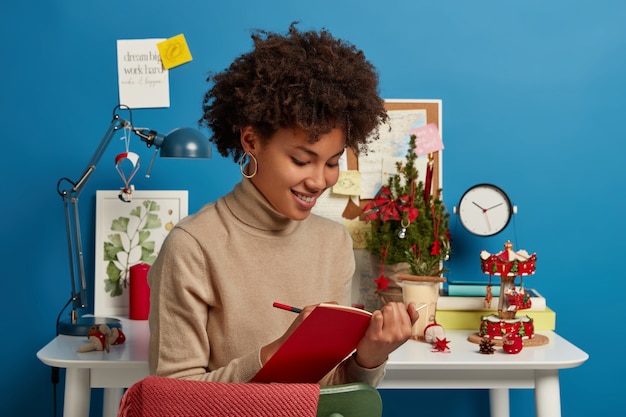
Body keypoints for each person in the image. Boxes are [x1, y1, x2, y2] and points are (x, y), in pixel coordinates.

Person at [148, 23, 420, 387]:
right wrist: (275, 354)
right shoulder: (192, 246)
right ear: (250, 140)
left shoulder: (333, 243)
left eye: (332, 162)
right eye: (301, 160)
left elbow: (332, 388)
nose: (319, 180)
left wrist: (370, 357)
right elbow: (173, 398)